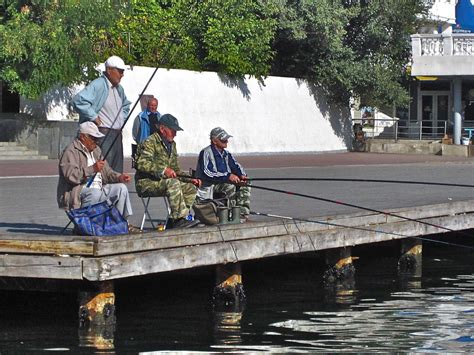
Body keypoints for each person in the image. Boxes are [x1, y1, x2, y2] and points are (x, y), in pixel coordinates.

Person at [57, 122, 139, 233]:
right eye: (93, 138)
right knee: (94, 192)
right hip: (78, 191)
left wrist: (119, 177)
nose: (96, 142)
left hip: (99, 188)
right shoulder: (70, 151)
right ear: (82, 137)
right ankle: (87, 226)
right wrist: (92, 169)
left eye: (97, 139)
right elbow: (71, 176)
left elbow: (107, 172)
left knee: (121, 189)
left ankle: (121, 223)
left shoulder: (96, 150)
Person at [134, 114, 201, 229]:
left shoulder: (172, 145)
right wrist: (163, 170)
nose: (175, 134)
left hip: (163, 182)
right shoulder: (150, 142)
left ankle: (175, 220)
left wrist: (190, 179)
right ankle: (179, 220)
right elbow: (141, 163)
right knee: (173, 183)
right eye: (173, 130)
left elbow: (175, 170)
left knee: (190, 188)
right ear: (162, 129)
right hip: (146, 183)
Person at [72, 55, 131, 173]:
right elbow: (78, 101)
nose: (122, 74)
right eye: (119, 71)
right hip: (103, 133)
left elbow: (126, 105)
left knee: (116, 171)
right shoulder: (98, 84)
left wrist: (121, 119)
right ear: (109, 70)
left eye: (123, 72)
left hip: (117, 134)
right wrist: (94, 117)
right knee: (105, 170)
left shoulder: (119, 89)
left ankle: (115, 190)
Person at [195, 127, 251, 221]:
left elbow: (236, 166)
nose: (226, 141)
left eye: (226, 139)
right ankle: (231, 215)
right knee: (229, 186)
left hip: (224, 182)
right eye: (223, 139)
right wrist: (228, 176)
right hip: (210, 185)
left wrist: (242, 176)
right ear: (214, 141)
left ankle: (242, 213)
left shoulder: (227, 154)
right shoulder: (205, 153)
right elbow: (207, 173)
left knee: (247, 183)